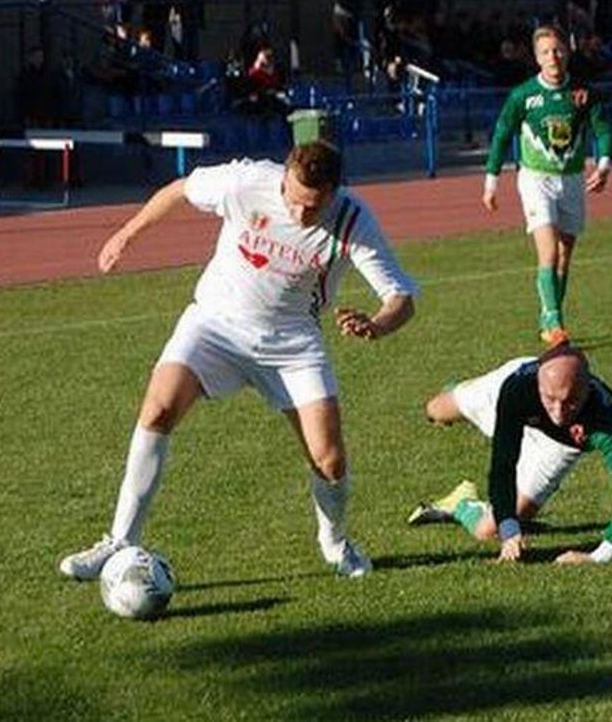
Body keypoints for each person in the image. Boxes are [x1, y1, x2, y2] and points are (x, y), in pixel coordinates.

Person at [58, 141, 418, 581]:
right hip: (216, 323)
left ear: (334, 193)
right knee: (158, 408)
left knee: (329, 460)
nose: (301, 214)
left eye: (314, 206)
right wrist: (126, 234)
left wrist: (378, 324)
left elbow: (401, 296)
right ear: (284, 176)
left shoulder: (352, 219)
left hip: (293, 344)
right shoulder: (247, 181)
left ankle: (335, 542)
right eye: (294, 200)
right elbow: (179, 189)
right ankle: (119, 542)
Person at [409, 344, 612, 564]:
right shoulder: (516, 389)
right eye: (551, 399)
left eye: (570, 402)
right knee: (434, 410)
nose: (559, 413)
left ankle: (461, 502)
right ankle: (461, 391)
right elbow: (504, 462)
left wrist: (599, 556)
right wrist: (510, 528)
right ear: (539, 385)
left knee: (487, 530)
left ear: (586, 391)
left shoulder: (604, 418)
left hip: (558, 446)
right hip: (512, 402)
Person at [482, 25, 612, 347]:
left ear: (567, 52)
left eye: (557, 50)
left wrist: (604, 166)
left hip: (571, 179)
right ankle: (555, 323)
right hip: (535, 179)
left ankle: (549, 313)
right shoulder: (523, 96)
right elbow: (501, 135)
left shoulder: (583, 93)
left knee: (565, 253)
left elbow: (603, 130)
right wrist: (491, 183)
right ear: (537, 58)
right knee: (548, 251)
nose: (552, 57)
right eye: (545, 52)